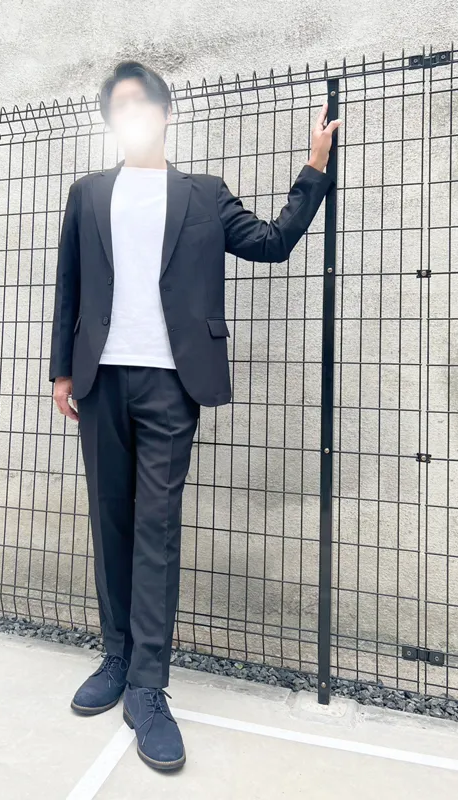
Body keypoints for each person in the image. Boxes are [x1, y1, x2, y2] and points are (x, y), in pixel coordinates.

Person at [49, 60, 340, 772]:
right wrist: (61, 369)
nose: (131, 116)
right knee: (110, 524)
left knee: (155, 530)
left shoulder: (203, 195)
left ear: (167, 113)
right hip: (100, 380)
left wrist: (314, 168)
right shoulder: (88, 193)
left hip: (172, 385)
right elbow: (70, 284)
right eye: (119, 108)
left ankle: (147, 687)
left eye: (142, 105)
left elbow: (272, 242)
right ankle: (116, 657)